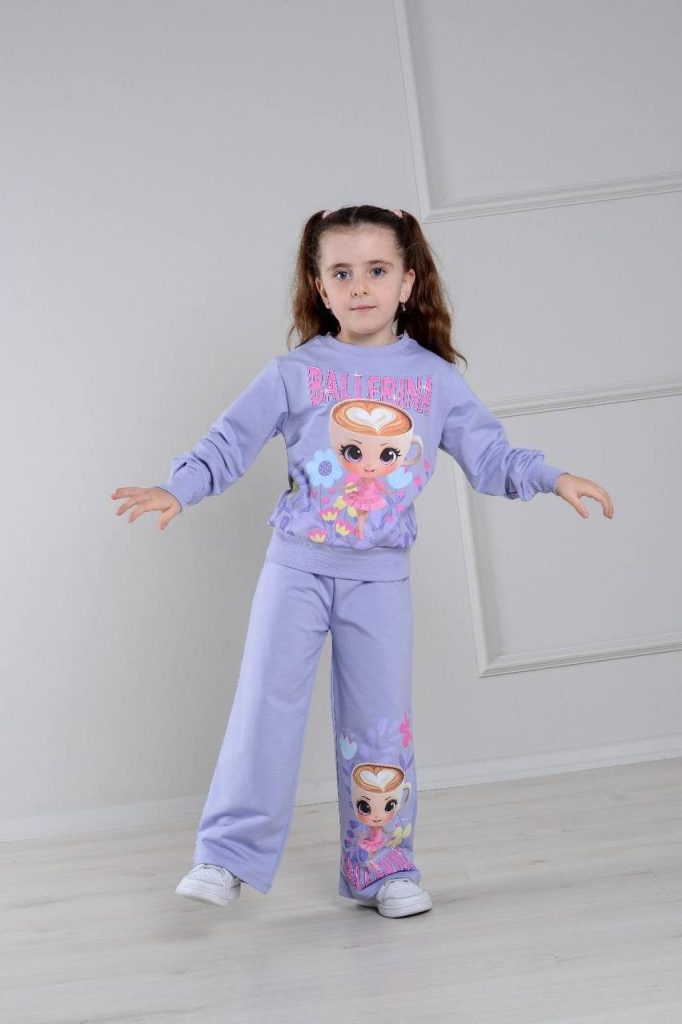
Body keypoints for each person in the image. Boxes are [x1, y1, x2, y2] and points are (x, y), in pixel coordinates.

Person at [111, 204, 614, 919]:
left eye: (377, 270)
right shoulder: (294, 373)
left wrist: (552, 477)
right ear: (320, 287)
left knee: (379, 726)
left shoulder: (434, 380)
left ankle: (385, 869)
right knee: (264, 711)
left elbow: (491, 455)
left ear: (407, 281)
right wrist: (178, 488)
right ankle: (225, 858)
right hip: (296, 569)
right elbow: (228, 443)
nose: (360, 286)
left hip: (379, 578)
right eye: (341, 273)